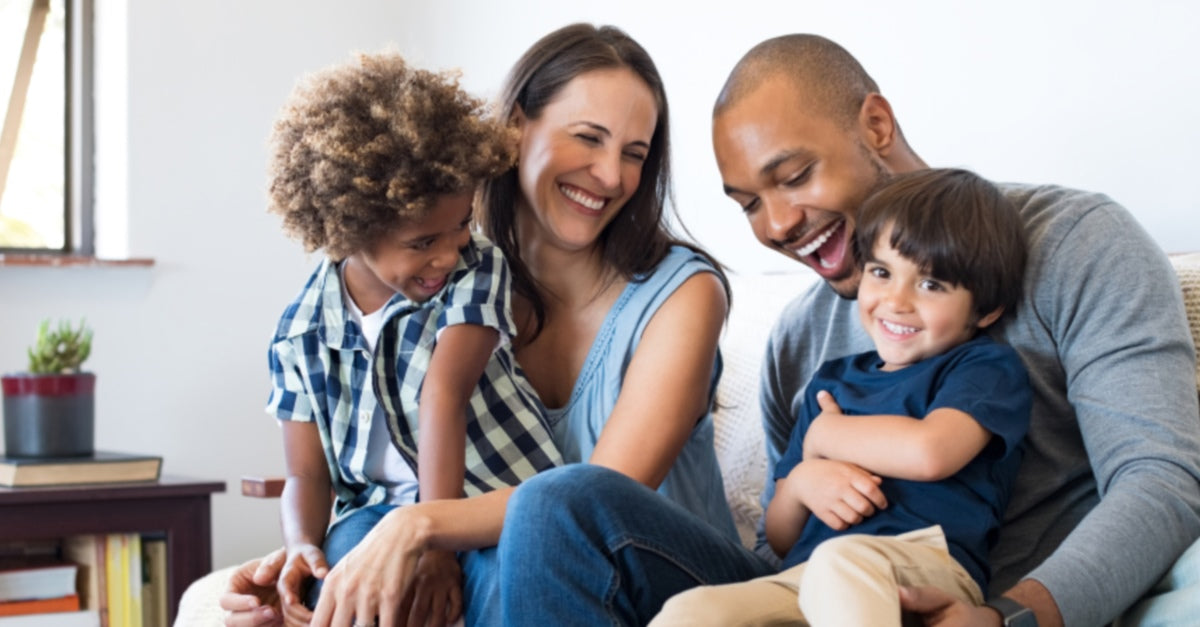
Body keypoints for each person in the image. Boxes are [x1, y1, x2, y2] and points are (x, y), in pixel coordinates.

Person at [495, 33, 1200, 627]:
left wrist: (1013, 615)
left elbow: (1161, 480)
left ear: (876, 127)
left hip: (974, 592)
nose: (775, 226)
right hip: (812, 592)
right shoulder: (801, 338)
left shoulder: (1078, 243)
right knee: (561, 503)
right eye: (748, 205)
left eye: (794, 175)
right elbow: (782, 540)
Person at [223, 23, 737, 627]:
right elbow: (353, 467)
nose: (611, 176)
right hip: (537, 579)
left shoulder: (684, 293)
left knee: (549, 507)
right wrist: (316, 576)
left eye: (634, 154)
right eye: (588, 138)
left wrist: (417, 526)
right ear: (516, 126)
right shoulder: (437, 275)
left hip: (671, 579)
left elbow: (594, 503)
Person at [652, 167, 1031, 626]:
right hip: (809, 574)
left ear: (986, 309)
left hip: (923, 564)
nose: (896, 300)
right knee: (694, 610)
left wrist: (827, 434)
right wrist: (805, 482)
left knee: (842, 564)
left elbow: (931, 452)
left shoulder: (982, 367)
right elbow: (780, 537)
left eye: (931, 284)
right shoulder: (831, 382)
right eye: (881, 272)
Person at [261, 53, 561, 625]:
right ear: (350, 228)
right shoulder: (299, 333)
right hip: (372, 510)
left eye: (460, 225)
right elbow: (306, 473)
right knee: (342, 578)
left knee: (506, 577)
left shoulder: (477, 270)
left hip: (487, 500)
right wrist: (302, 545)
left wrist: (435, 543)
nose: (447, 255)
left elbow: (441, 396)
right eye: (423, 242)